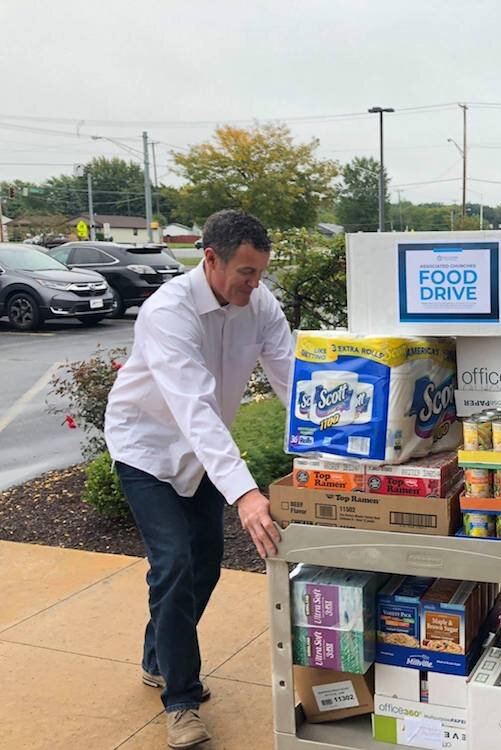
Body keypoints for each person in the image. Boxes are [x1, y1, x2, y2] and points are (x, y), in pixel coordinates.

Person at [105, 209, 293, 749]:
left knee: (205, 566)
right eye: (245, 272)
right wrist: (247, 493)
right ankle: (181, 701)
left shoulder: (260, 304)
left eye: (261, 272)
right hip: (147, 450)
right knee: (174, 563)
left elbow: (292, 380)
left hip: (205, 456)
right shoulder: (168, 312)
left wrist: (335, 445)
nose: (254, 284)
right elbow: (194, 409)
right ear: (210, 259)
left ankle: (157, 658)